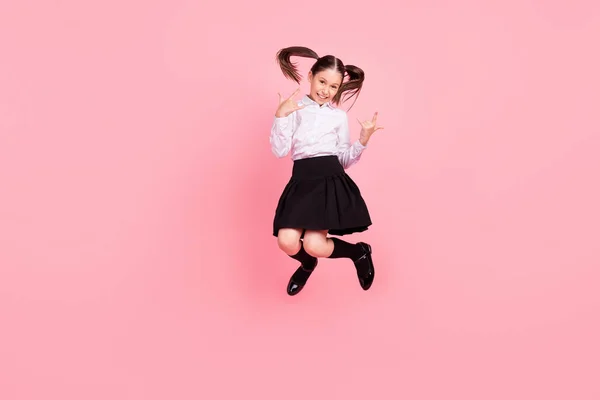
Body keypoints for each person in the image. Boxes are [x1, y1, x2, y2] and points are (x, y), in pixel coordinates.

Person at [270, 46, 383, 296]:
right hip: (302, 180)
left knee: (314, 244)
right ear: (310, 76)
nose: (326, 90)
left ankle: (358, 252)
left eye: (333, 87)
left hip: (329, 180)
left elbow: (343, 159)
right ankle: (307, 264)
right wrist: (280, 116)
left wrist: (362, 140)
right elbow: (279, 151)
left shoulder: (338, 117)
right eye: (322, 82)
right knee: (286, 242)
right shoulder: (292, 109)